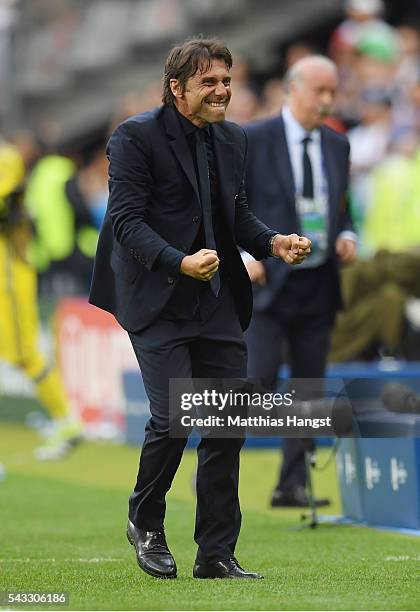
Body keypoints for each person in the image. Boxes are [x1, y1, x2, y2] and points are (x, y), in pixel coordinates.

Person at [89, 37, 311, 580]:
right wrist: (179, 262)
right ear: (177, 88)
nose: (221, 91)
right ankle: (145, 519)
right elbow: (125, 221)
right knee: (174, 418)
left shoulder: (232, 138)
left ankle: (215, 553)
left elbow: (234, 214)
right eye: (208, 82)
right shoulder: (133, 137)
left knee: (225, 424)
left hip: (215, 298)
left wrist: (271, 242)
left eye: (227, 81)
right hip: (155, 295)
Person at [243, 55, 357, 508]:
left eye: (333, 92)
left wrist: (346, 235)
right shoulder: (254, 139)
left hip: (320, 282)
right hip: (267, 279)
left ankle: (291, 485)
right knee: (256, 381)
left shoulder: (337, 144)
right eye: (320, 91)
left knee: (308, 389)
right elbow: (235, 206)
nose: (327, 101)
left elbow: (339, 206)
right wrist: (246, 256)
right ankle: (211, 473)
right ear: (294, 89)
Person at [0, 142, 83, 460]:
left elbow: (6, 205)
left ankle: (67, 420)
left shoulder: (7, 158)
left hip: (9, 276)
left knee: (25, 354)